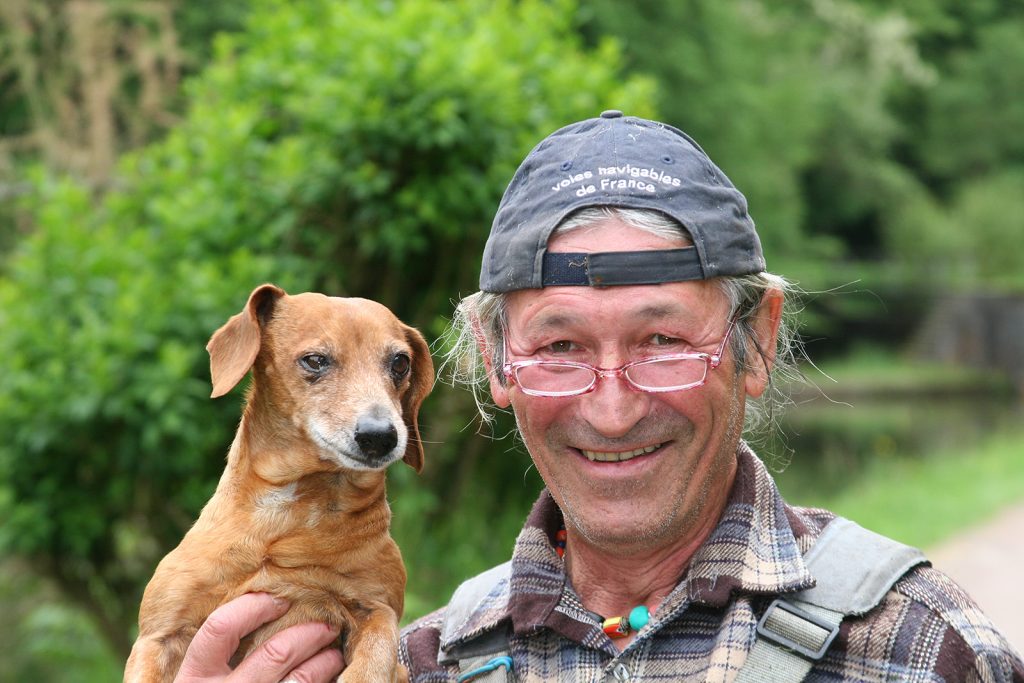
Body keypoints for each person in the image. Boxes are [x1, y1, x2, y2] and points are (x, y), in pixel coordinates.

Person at [173, 112, 1024, 682]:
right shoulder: (424, 660)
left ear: (755, 341)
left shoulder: (915, 649)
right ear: (497, 365)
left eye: (661, 340)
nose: (611, 409)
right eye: (559, 346)